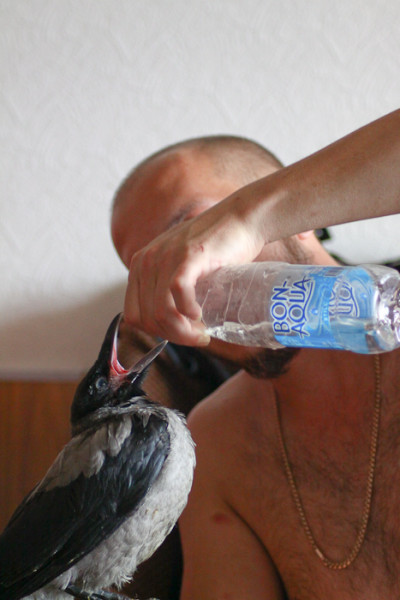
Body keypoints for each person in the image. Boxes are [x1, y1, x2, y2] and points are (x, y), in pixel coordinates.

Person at [112, 114, 400, 599]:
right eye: (151, 271)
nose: (182, 284)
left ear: (302, 217)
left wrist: (249, 217)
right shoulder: (218, 442)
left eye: (194, 230)